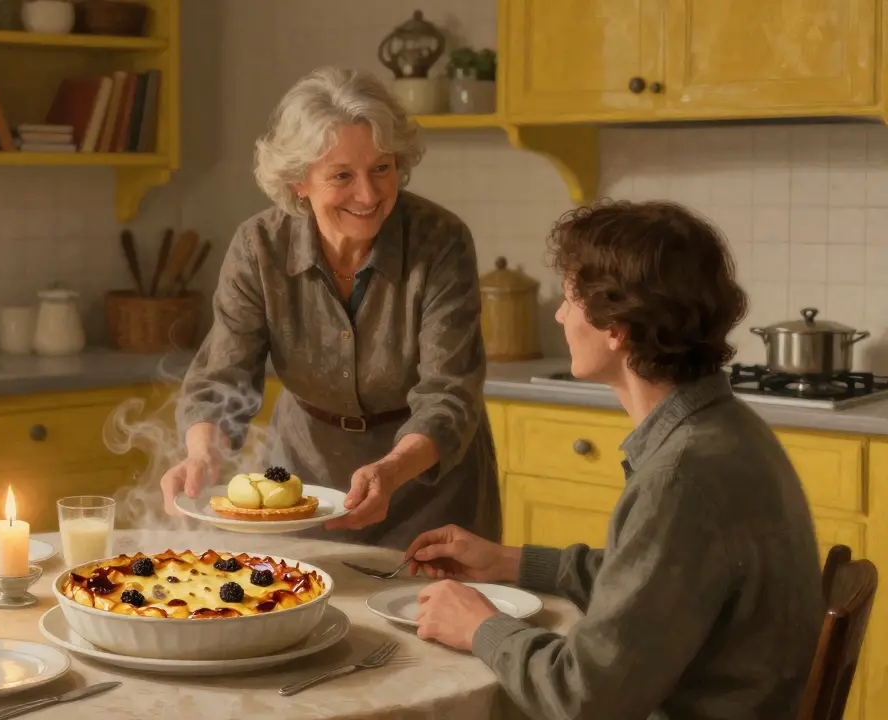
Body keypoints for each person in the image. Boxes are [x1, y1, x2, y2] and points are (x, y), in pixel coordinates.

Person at [406, 200, 824, 718]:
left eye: (568, 299)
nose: (559, 315)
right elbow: (658, 583)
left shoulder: (680, 478)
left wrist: (480, 627)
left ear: (616, 327)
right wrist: (508, 562)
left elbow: (583, 695)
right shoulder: (726, 430)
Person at [159, 66, 500, 548]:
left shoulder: (440, 241)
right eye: (342, 175)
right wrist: (202, 456)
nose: (368, 194)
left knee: (427, 616)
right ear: (300, 181)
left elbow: (450, 392)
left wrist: (390, 470)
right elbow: (223, 376)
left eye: (382, 169)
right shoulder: (260, 247)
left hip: (427, 482)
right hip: (303, 479)